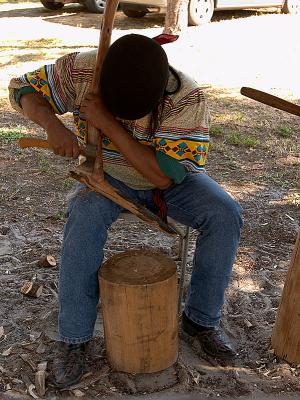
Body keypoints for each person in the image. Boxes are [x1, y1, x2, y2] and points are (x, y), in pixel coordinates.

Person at [9, 34, 243, 389]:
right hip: (108, 176)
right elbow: (23, 90)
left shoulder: (185, 97)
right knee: (83, 217)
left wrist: (107, 123)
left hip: (168, 179)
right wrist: (53, 126)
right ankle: (74, 340)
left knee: (224, 213)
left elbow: (163, 177)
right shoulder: (85, 68)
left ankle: (200, 321)